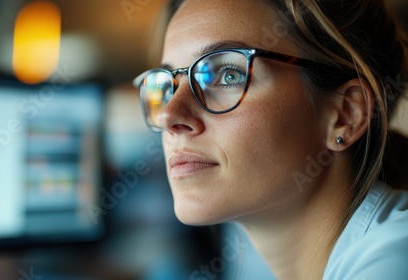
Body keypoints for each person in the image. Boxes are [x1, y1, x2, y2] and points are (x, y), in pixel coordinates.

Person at [132, 0, 408, 279]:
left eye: (229, 75)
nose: (169, 115)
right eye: (168, 86)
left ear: (346, 115)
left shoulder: (394, 259)